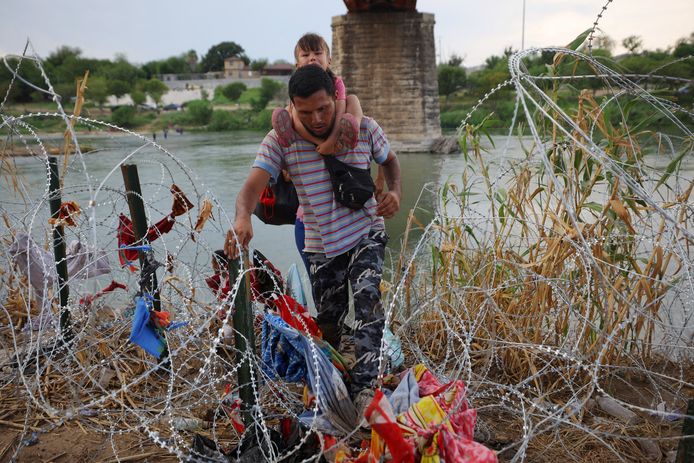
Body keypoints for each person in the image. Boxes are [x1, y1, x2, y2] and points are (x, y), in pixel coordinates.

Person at [225, 65, 401, 416]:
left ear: (336, 99)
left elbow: (390, 161)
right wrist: (243, 216)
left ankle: (365, 388)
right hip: (321, 243)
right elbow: (251, 188)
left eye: (324, 108)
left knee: (368, 303)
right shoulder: (281, 141)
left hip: (366, 229)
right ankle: (331, 371)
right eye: (306, 112)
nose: (317, 118)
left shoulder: (364, 128)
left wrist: (394, 190)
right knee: (330, 318)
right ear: (291, 107)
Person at [272, 32, 362, 155]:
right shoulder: (298, 85)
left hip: (334, 116)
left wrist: (332, 140)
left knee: (352, 99)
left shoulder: (336, 81)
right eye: (305, 55)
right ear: (297, 65)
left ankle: (352, 129)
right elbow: (298, 119)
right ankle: (287, 134)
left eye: (318, 53)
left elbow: (340, 110)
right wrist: (319, 143)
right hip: (308, 128)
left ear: (329, 60)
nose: (312, 57)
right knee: (290, 111)